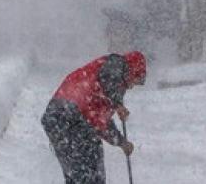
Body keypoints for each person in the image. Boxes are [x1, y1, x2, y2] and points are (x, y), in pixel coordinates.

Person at [41, 51, 146, 184]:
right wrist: (118, 104)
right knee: (86, 173)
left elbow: (102, 123)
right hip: (67, 115)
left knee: (86, 174)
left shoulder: (110, 90)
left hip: (64, 119)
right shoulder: (116, 64)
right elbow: (108, 78)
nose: (131, 87)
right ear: (133, 70)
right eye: (135, 80)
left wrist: (121, 142)